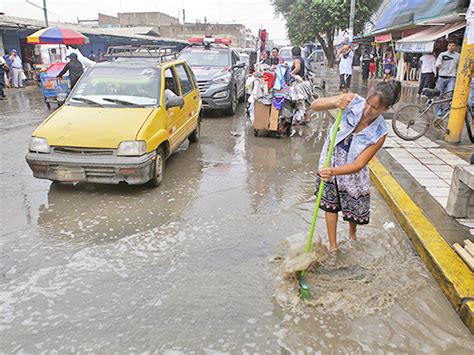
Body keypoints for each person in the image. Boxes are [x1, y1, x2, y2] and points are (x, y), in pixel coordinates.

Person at [310, 80, 402, 251]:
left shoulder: (380, 133)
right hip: (331, 158)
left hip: (351, 170)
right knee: (330, 202)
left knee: (353, 204)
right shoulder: (352, 101)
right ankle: (333, 246)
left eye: (374, 108)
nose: (367, 110)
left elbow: (359, 164)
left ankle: (352, 234)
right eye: (368, 102)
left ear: (385, 110)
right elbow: (314, 105)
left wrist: (334, 171)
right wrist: (334, 102)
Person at [435, 39, 460, 116]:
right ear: (447, 46)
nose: (451, 47)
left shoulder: (458, 56)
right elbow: (438, 62)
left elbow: (459, 66)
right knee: (440, 94)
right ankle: (439, 109)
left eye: (453, 45)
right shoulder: (442, 54)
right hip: (441, 77)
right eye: (449, 45)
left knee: (450, 94)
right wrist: (439, 65)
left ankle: (447, 110)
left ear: (455, 47)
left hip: (451, 78)